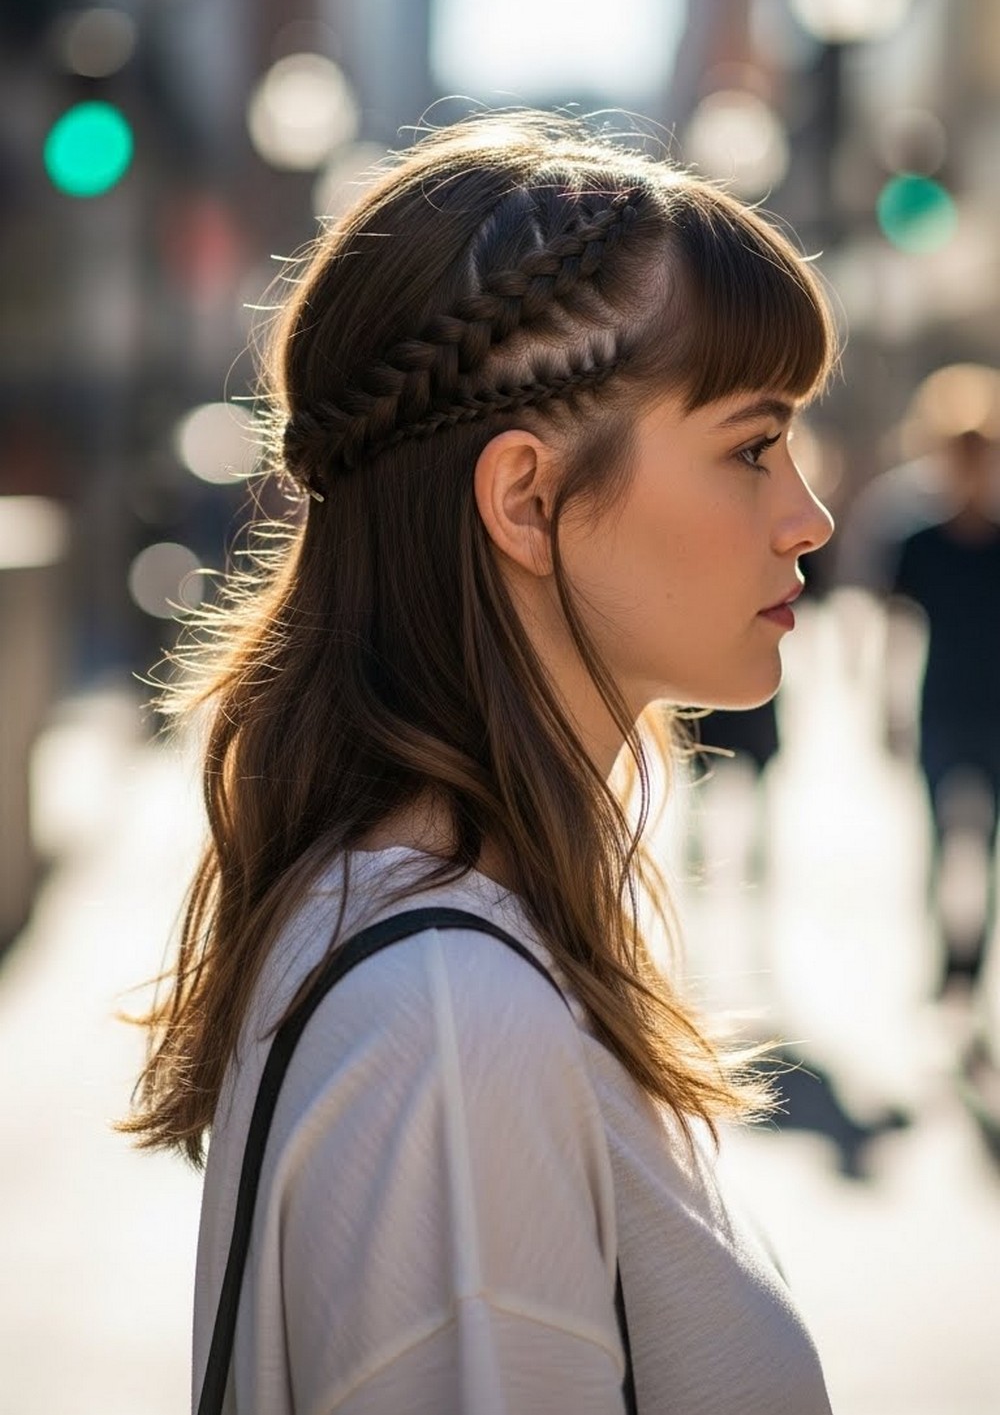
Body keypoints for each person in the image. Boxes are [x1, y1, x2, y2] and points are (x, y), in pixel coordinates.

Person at [123, 111, 838, 1414]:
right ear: (525, 499)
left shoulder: (452, 944)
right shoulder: (456, 1026)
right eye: (750, 446)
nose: (809, 515)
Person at [887, 424, 1000, 991]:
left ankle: (976, 960)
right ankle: (942, 956)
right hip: (942, 706)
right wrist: (888, 704)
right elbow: (898, 626)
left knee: (989, 845)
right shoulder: (922, 544)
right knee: (937, 836)